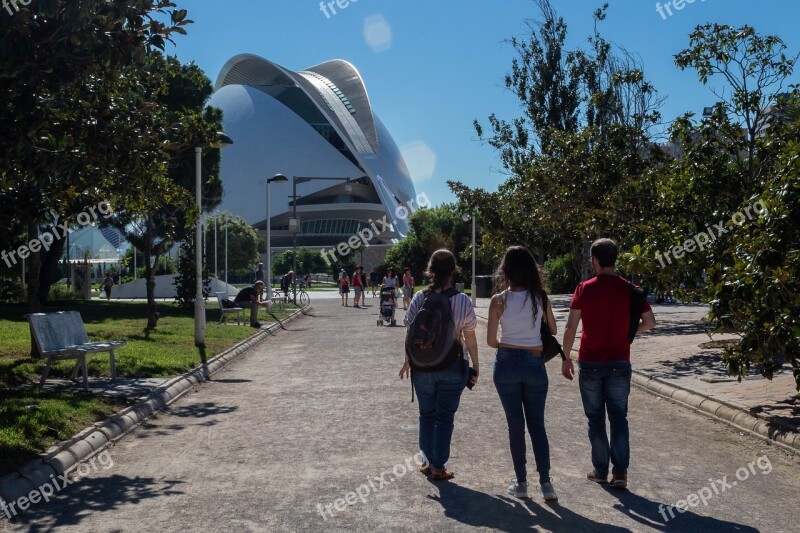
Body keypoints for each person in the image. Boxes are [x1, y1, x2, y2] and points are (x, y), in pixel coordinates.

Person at [561, 238, 656, 489]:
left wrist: (565, 357)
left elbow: (571, 326)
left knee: (595, 418)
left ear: (594, 260)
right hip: (619, 362)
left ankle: (600, 470)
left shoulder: (584, 288)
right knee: (619, 418)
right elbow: (650, 322)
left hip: (590, 361)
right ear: (615, 259)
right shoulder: (630, 289)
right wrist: (628, 333)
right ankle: (621, 473)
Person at [399, 249, 479, 481]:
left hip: (422, 367)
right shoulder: (462, 299)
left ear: (430, 270)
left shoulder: (419, 298)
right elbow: (470, 338)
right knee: (445, 417)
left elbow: (410, 332)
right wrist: (475, 366)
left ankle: (426, 461)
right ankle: (439, 466)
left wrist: (407, 361)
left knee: (426, 415)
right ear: (453, 270)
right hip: (452, 367)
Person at [487, 246, 559, 502]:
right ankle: (547, 484)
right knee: (537, 425)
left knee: (515, 426)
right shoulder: (540, 297)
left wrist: (511, 342)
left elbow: (491, 342)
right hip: (534, 363)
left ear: (505, 270)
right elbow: (553, 329)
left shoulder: (498, 300)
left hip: (505, 363)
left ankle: (521, 482)